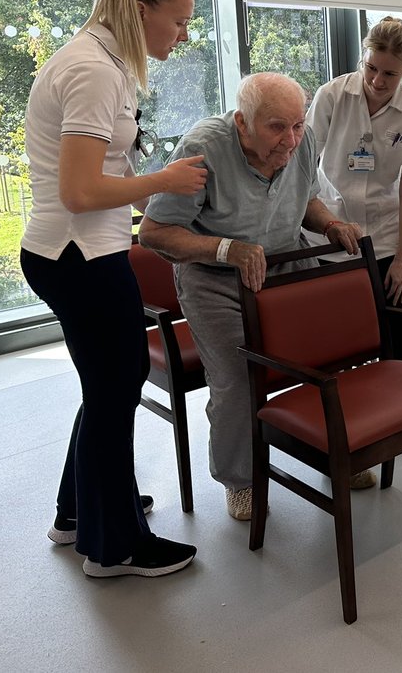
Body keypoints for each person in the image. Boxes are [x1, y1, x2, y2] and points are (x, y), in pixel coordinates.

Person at [19, 0, 206, 577]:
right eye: (177, 21)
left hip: (74, 250)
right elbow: (80, 191)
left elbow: (94, 175)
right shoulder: (96, 71)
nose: (182, 34)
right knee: (116, 387)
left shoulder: (101, 60)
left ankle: (80, 512)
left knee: (107, 386)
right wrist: (164, 181)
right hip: (78, 254)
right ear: (139, 7)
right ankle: (114, 545)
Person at [139, 72, 364, 521]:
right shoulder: (203, 150)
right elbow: (154, 232)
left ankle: (330, 447)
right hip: (214, 277)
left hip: (284, 263)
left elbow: (307, 198)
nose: (291, 139)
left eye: (297, 125)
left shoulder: (303, 139)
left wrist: (331, 224)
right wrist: (225, 249)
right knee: (239, 376)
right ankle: (239, 478)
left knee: (328, 355)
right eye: (277, 127)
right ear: (242, 122)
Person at [305, 16, 402, 459]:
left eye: (390, 73)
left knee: (401, 328)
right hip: (330, 230)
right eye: (371, 68)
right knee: (339, 337)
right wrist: (321, 221)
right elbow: (304, 167)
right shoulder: (332, 95)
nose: (378, 80)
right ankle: (351, 424)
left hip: (382, 235)